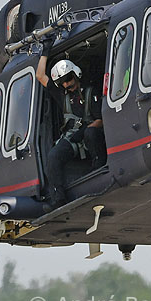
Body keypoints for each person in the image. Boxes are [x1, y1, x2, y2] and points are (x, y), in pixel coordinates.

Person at [36, 39, 106, 207]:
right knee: (53, 156)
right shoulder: (63, 95)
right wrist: (45, 51)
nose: (67, 84)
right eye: (63, 82)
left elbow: (101, 119)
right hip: (73, 138)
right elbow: (40, 76)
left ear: (75, 74)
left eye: (69, 79)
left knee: (91, 134)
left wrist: (84, 131)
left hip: (90, 135)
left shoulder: (91, 92)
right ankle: (58, 197)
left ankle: (98, 171)